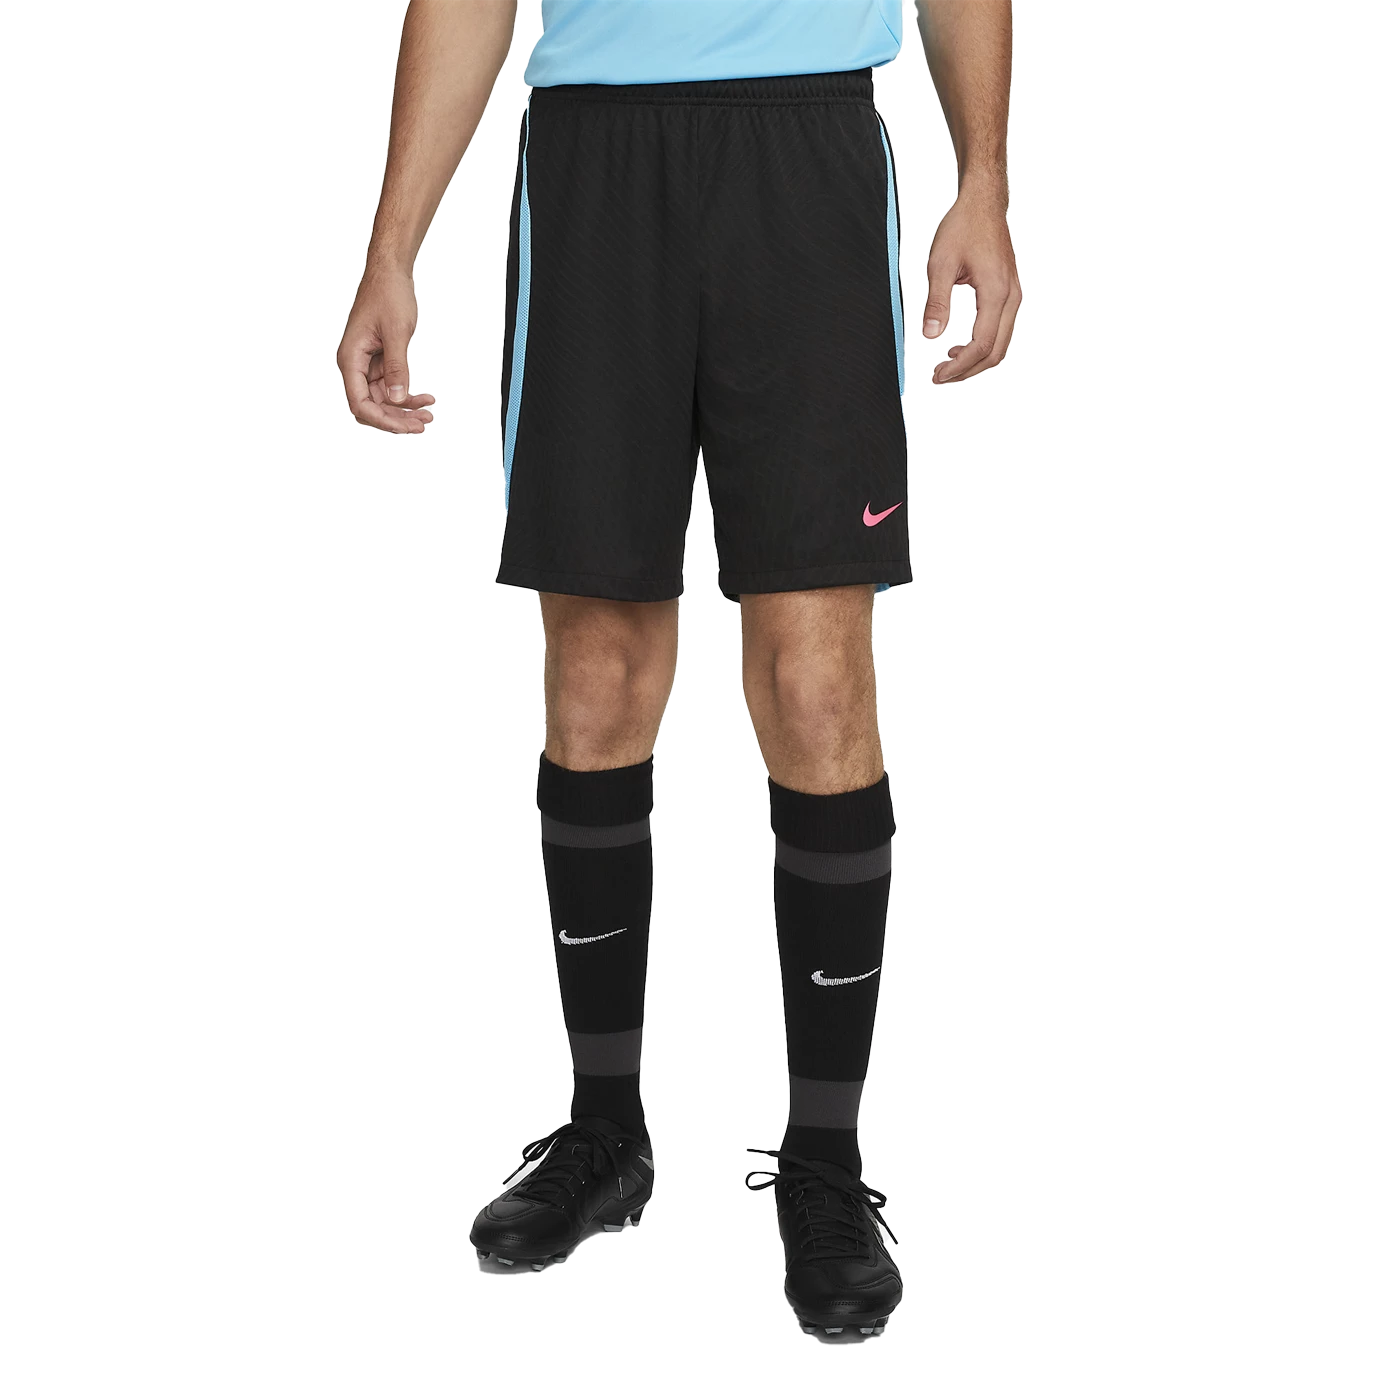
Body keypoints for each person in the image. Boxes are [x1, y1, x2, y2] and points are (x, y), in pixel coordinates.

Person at [337, 0, 1019, 1336]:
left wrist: (983, 178)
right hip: (596, 160)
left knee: (817, 681)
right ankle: (605, 1131)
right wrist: (391, 246)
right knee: (595, 674)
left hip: (805, 146)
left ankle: (827, 1161)